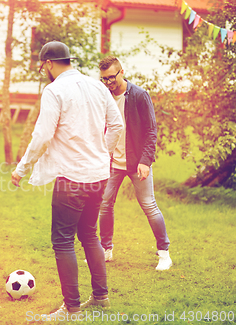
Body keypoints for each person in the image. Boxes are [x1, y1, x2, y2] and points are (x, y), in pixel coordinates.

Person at [11, 41, 123, 318]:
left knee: (62, 241)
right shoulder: (97, 85)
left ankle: (71, 308)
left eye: (42, 66)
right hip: (98, 175)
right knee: (89, 234)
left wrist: (21, 169)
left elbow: (42, 136)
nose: (43, 71)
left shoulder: (54, 90)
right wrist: (101, 153)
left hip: (71, 178)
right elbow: (117, 124)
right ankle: (100, 297)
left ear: (49, 63)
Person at [98, 56, 172, 271]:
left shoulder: (139, 95)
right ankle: (106, 250)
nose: (109, 83)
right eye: (104, 79)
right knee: (104, 204)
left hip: (137, 162)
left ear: (122, 72)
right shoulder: (105, 96)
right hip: (112, 162)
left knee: (149, 205)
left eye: (112, 77)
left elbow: (151, 131)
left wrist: (146, 161)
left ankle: (164, 253)